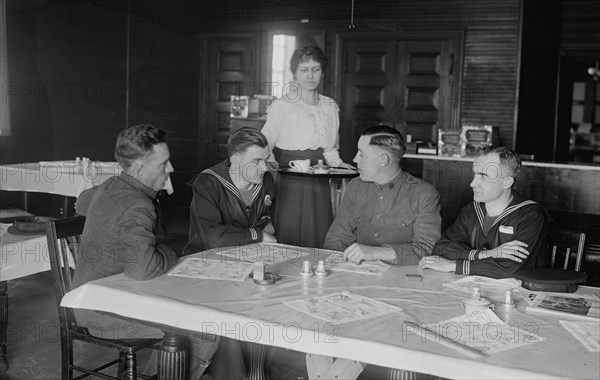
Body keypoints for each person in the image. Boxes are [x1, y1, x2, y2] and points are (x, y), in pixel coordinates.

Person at [72, 124, 219, 379]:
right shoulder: (139, 205)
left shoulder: (110, 185)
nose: (170, 169)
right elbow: (143, 269)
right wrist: (167, 251)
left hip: (87, 298)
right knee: (205, 330)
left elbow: (81, 201)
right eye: (163, 164)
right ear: (139, 167)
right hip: (102, 313)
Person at [261, 45, 353, 248]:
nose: (310, 76)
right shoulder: (281, 106)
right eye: (304, 70)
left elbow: (330, 149)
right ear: (294, 72)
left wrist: (340, 165)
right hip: (290, 173)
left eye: (316, 69)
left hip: (320, 174)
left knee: (319, 225)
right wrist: (272, 164)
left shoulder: (330, 106)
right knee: (290, 225)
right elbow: (265, 144)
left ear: (322, 72)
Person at [419, 146, 549, 279]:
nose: (473, 183)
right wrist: (487, 254)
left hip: (520, 294)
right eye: (474, 174)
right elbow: (441, 249)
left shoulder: (530, 215)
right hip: (472, 288)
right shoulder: (471, 211)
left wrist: (454, 265)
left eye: (484, 176)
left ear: (506, 182)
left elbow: (510, 269)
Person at [324, 125, 442, 266]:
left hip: (402, 280)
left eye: (361, 154)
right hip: (358, 276)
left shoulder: (424, 194)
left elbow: (425, 250)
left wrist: (376, 253)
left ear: (383, 160)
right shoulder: (355, 187)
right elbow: (336, 240)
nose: (355, 159)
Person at [183, 127, 277, 255]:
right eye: (256, 162)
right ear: (235, 161)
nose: (265, 168)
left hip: (249, 255)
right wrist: (259, 235)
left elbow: (266, 212)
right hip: (206, 258)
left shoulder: (267, 180)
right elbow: (212, 238)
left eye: (266, 159)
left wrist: (267, 221)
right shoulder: (207, 183)